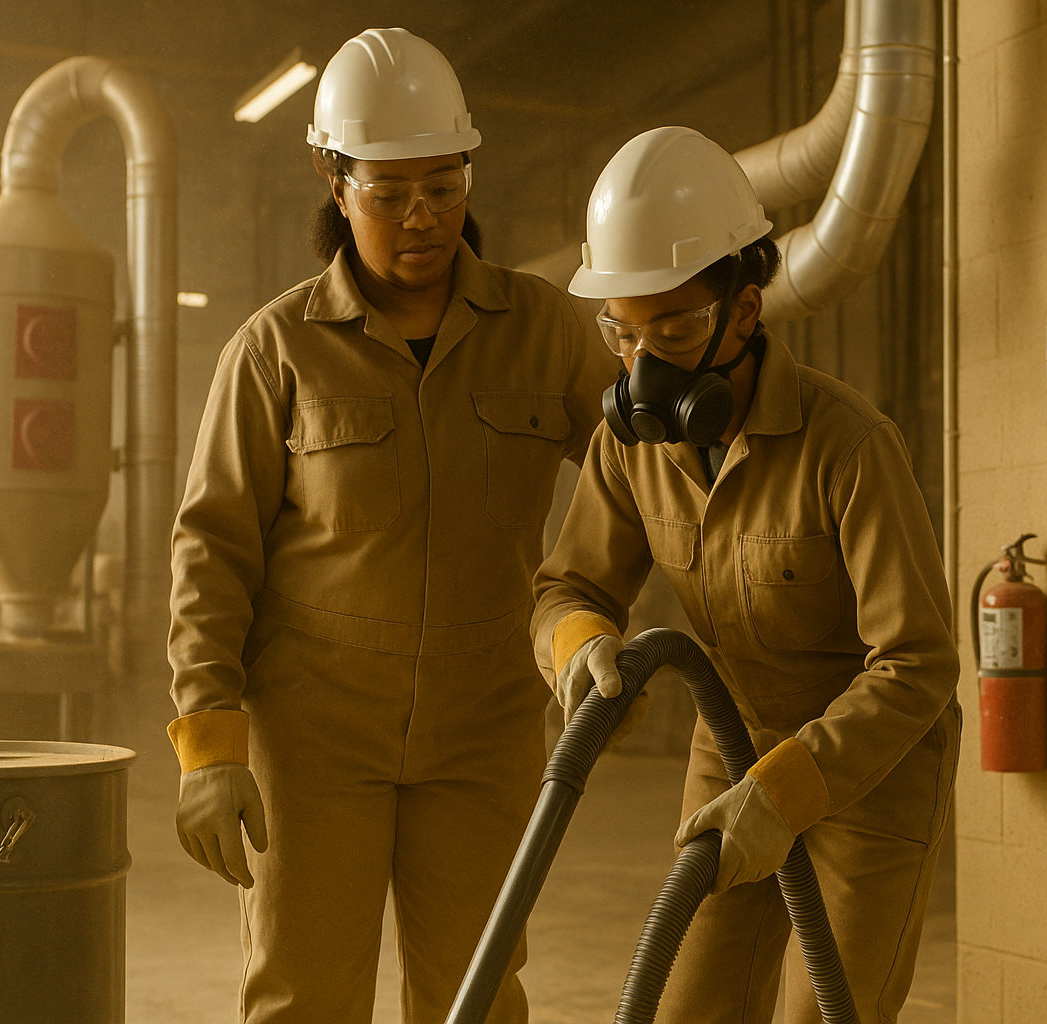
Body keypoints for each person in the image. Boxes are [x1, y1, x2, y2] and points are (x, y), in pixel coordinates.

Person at [165, 28, 615, 1024]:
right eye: (391, 192)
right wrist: (209, 742)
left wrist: (588, 613)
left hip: (485, 728)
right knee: (304, 998)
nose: (424, 218)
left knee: (478, 996)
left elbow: (647, 482)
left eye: (445, 186)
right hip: (314, 733)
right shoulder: (276, 353)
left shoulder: (545, 330)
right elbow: (212, 553)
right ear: (336, 183)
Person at [532, 126, 961, 1024]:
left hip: (868, 777)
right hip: (729, 745)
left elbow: (918, 662)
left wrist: (791, 790)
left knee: (828, 1013)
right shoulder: (630, 444)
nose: (645, 365)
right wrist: (580, 649)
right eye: (622, 332)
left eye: (676, 328)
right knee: (691, 1007)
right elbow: (570, 587)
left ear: (745, 308)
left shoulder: (849, 447)